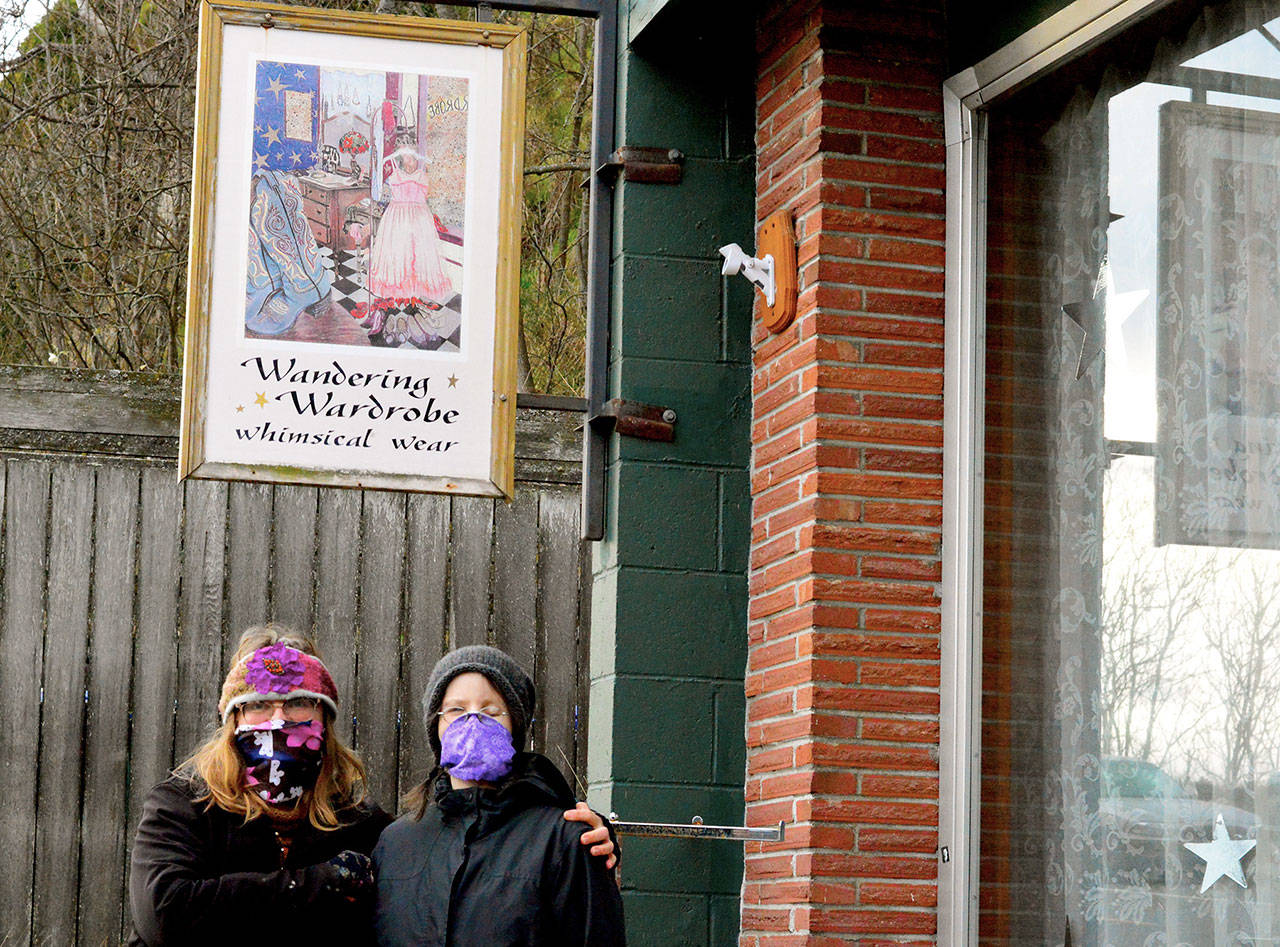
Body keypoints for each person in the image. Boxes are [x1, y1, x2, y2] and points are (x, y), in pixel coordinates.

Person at [128, 627, 615, 946]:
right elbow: (165, 914)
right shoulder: (184, 806)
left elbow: (454, 847)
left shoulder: (361, 826)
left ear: (324, 721)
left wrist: (586, 843)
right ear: (232, 721)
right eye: (257, 705)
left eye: (298, 703)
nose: (278, 719)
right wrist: (321, 883)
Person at [373, 645, 626, 946]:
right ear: (435, 726)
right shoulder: (395, 843)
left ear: (514, 727)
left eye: (491, 712)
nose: (472, 721)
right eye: (455, 710)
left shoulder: (564, 841)